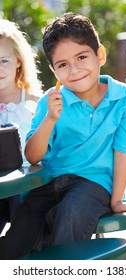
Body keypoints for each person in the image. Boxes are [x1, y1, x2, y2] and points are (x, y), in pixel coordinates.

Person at [0, 12, 126, 259]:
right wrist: (50, 119)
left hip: (94, 183)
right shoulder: (50, 101)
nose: (75, 70)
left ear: (99, 55)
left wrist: (117, 200)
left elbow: (124, 151)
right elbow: (33, 157)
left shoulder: (122, 98)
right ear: (53, 70)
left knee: (71, 212)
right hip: (50, 181)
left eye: (81, 57)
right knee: (24, 225)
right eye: (63, 64)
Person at [0, 18, 42, 235]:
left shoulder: (35, 103)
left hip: (30, 187)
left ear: (18, 60)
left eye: (3, 61)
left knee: (23, 227)